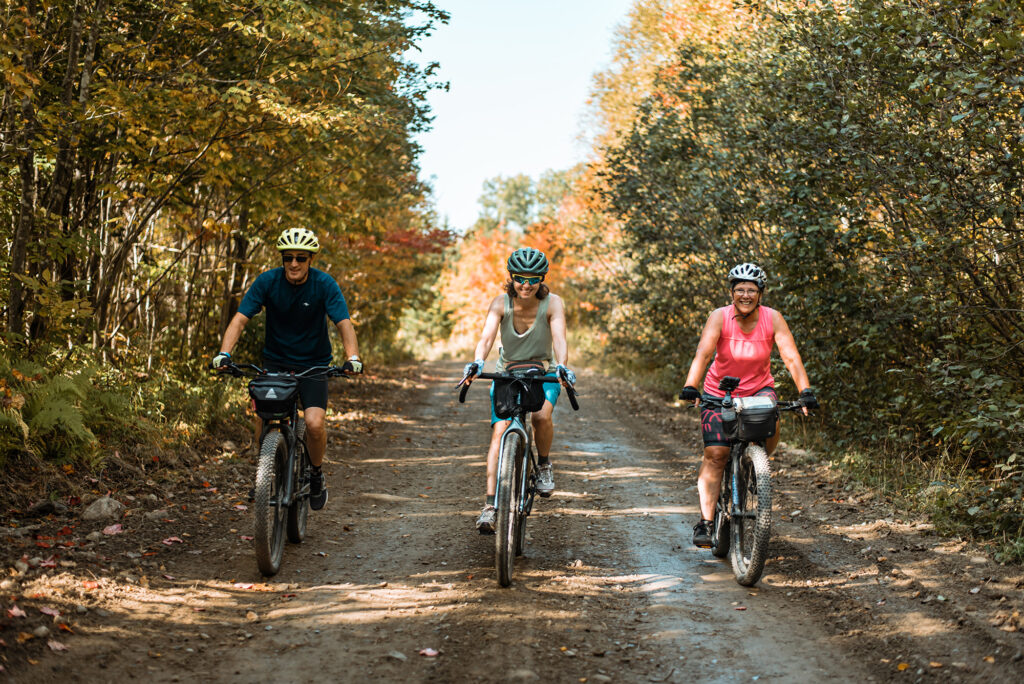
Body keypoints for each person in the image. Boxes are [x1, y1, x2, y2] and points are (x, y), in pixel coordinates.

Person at [211, 227, 363, 511]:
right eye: (288, 258)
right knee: (263, 416)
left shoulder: (324, 284)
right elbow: (240, 319)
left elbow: (343, 323)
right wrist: (224, 353)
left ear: (310, 260)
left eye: (301, 258)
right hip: (275, 363)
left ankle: (316, 474)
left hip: (313, 365)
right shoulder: (268, 282)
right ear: (282, 259)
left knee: (315, 424)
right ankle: (264, 472)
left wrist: (352, 357)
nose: (294, 263)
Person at [679, 263, 818, 548]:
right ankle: (706, 522)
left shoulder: (773, 318)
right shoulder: (719, 317)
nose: (745, 295)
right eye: (740, 289)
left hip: (758, 390)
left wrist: (805, 391)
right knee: (716, 454)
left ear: (760, 294)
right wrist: (691, 385)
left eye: (751, 290)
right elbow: (703, 353)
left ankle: (756, 467)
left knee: (772, 421)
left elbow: (790, 356)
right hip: (720, 391)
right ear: (731, 292)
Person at [462, 247, 576, 534]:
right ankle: (490, 506)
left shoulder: (553, 303)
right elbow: (486, 337)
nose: (526, 285)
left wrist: (562, 365)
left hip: (543, 372)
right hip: (507, 372)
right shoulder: (501, 303)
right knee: (500, 432)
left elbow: (560, 337)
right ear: (511, 278)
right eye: (520, 278)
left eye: (533, 278)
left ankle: (545, 464)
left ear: (542, 279)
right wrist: (477, 361)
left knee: (540, 418)